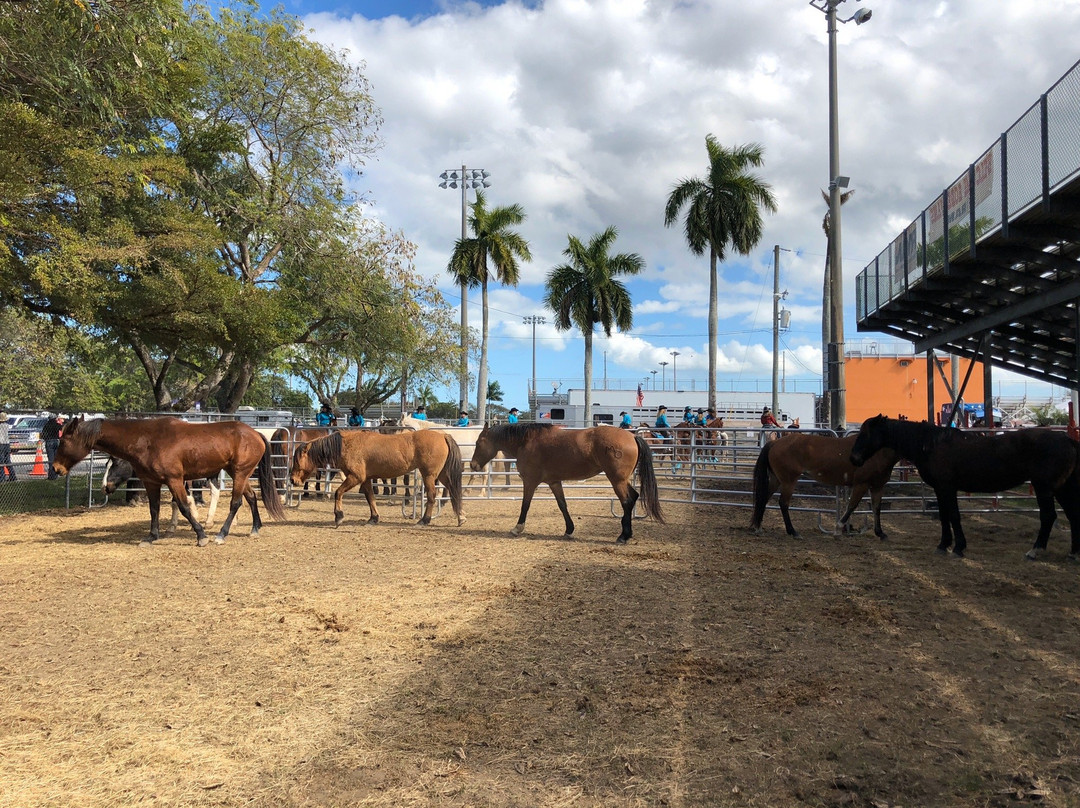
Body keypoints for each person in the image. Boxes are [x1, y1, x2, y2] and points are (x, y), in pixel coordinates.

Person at [40, 413, 62, 480]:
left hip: (49, 441)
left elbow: (43, 434)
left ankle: (51, 476)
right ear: (55, 419)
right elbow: (62, 428)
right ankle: (55, 475)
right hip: (56, 441)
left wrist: (45, 439)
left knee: (51, 460)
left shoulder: (46, 425)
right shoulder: (57, 425)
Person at [0, 413, 14, 481]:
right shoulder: (7, 425)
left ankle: (2, 478)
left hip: (1, 444)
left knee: (1, 462)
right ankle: (13, 476)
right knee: (8, 461)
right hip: (7, 444)